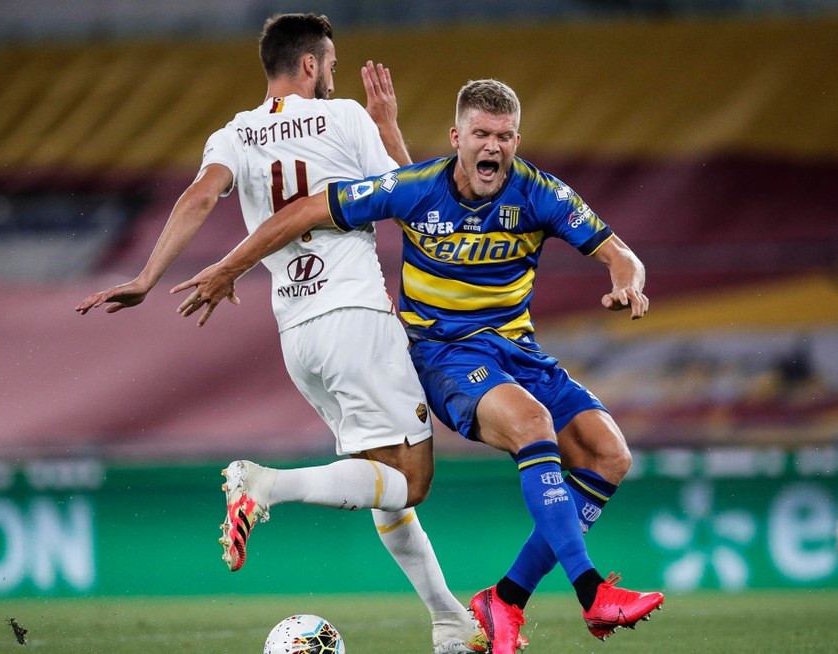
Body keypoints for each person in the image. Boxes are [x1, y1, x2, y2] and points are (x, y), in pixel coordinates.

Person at [172, 78, 666, 653]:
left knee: (609, 455)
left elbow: (621, 254)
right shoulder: (415, 187)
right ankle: (590, 594)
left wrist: (626, 282)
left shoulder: (541, 194)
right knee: (526, 428)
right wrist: (230, 267)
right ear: (458, 137)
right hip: (447, 356)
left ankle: (503, 600)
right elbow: (308, 208)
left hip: (518, 350)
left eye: (505, 136)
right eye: (481, 133)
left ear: (516, 140)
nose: (494, 146)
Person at [76, 13, 489, 654]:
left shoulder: (235, 134)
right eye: (329, 63)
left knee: (380, 488)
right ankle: (268, 484)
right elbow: (421, 198)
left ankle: (449, 623)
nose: (333, 74)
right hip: (356, 316)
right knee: (411, 480)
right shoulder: (347, 116)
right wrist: (386, 126)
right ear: (309, 65)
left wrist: (147, 277)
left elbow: (197, 198)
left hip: (297, 335)